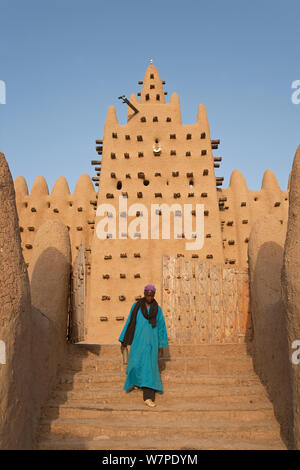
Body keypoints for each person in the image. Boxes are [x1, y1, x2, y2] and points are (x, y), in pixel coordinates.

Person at [118, 284, 169, 407]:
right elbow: (130, 322)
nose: (149, 296)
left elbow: (161, 328)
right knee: (134, 364)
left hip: (152, 344)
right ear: (144, 293)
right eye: (147, 294)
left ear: (154, 295)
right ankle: (136, 383)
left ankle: (148, 397)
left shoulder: (158, 309)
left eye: (152, 295)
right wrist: (124, 341)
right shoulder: (136, 307)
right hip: (138, 342)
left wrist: (161, 346)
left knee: (149, 369)